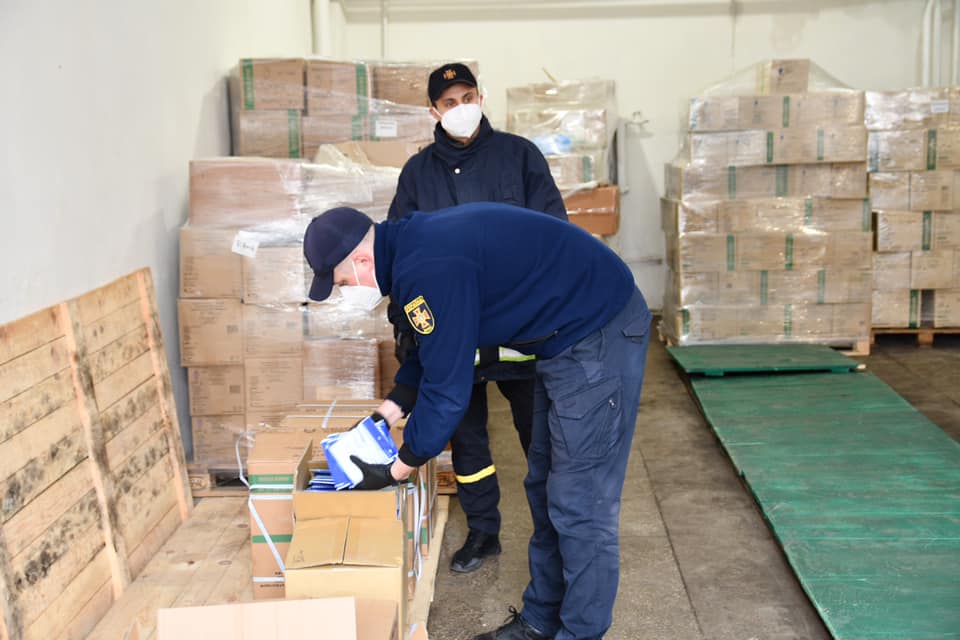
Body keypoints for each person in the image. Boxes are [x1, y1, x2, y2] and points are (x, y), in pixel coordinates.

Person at [303, 203, 651, 640]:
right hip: (563, 341)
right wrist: (384, 415)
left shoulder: (428, 268)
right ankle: (541, 620)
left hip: (599, 331)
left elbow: (448, 391)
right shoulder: (411, 253)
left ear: (361, 260)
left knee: (581, 503)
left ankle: (581, 632)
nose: (346, 292)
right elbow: (433, 348)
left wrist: (396, 468)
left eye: (341, 283)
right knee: (545, 487)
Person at [386, 61, 568, 574]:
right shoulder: (417, 174)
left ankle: (555, 532)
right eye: (449, 103)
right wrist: (410, 328)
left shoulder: (519, 156)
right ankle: (483, 533)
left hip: (520, 334)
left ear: (481, 99)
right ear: (433, 112)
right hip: (455, 341)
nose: (460, 108)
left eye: (468, 98)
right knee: (468, 443)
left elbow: (555, 232)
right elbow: (400, 252)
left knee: (541, 440)